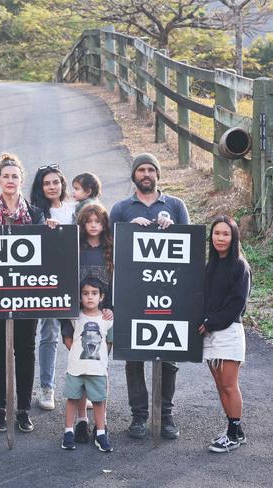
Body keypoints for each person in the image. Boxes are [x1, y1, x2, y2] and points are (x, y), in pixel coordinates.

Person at [0, 153, 58, 433]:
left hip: (27, 294)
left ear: (21, 180)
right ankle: (0, 409)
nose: (10, 181)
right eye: (6, 176)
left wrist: (50, 230)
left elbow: (47, 250)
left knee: (25, 349)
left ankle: (22, 409)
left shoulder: (35, 214)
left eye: (15, 176)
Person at [109, 153, 190, 440]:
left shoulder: (176, 205)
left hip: (168, 294)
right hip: (133, 295)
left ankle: (165, 415)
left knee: (169, 357)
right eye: (141, 169)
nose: (146, 174)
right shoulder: (120, 209)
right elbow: (111, 252)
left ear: (157, 174)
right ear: (134, 175)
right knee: (134, 358)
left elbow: (189, 250)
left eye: (151, 169)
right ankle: (139, 416)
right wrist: (129, 231)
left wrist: (173, 229)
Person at [198, 216, 251, 453]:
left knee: (230, 385)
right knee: (220, 385)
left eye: (225, 234)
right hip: (210, 333)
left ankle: (233, 433)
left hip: (228, 332)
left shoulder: (240, 266)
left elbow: (237, 303)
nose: (220, 238)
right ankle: (235, 430)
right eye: (217, 233)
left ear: (234, 237)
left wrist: (211, 323)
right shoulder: (210, 265)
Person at [63, 203, 115, 441]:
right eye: (89, 221)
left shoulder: (112, 249)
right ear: (83, 224)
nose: (94, 225)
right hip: (76, 317)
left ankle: (100, 425)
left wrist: (111, 309)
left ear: (104, 224)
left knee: (98, 367)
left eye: (98, 221)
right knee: (79, 367)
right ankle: (82, 420)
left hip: (104, 317)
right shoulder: (75, 248)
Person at [29, 164, 76, 411]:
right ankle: (47, 388)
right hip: (47, 281)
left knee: (80, 334)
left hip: (75, 280)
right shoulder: (36, 212)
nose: (51, 187)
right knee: (49, 335)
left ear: (62, 184)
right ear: (40, 186)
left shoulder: (74, 209)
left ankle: (84, 388)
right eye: (46, 183)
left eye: (55, 182)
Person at [61, 278, 114, 452]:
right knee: (72, 399)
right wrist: (76, 354)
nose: (89, 297)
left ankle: (100, 433)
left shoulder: (107, 319)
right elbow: (68, 338)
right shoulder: (75, 316)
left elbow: (109, 341)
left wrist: (101, 359)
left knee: (98, 401)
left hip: (97, 370)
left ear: (102, 297)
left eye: (94, 293)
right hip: (76, 368)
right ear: (79, 297)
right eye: (85, 293)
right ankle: (68, 432)